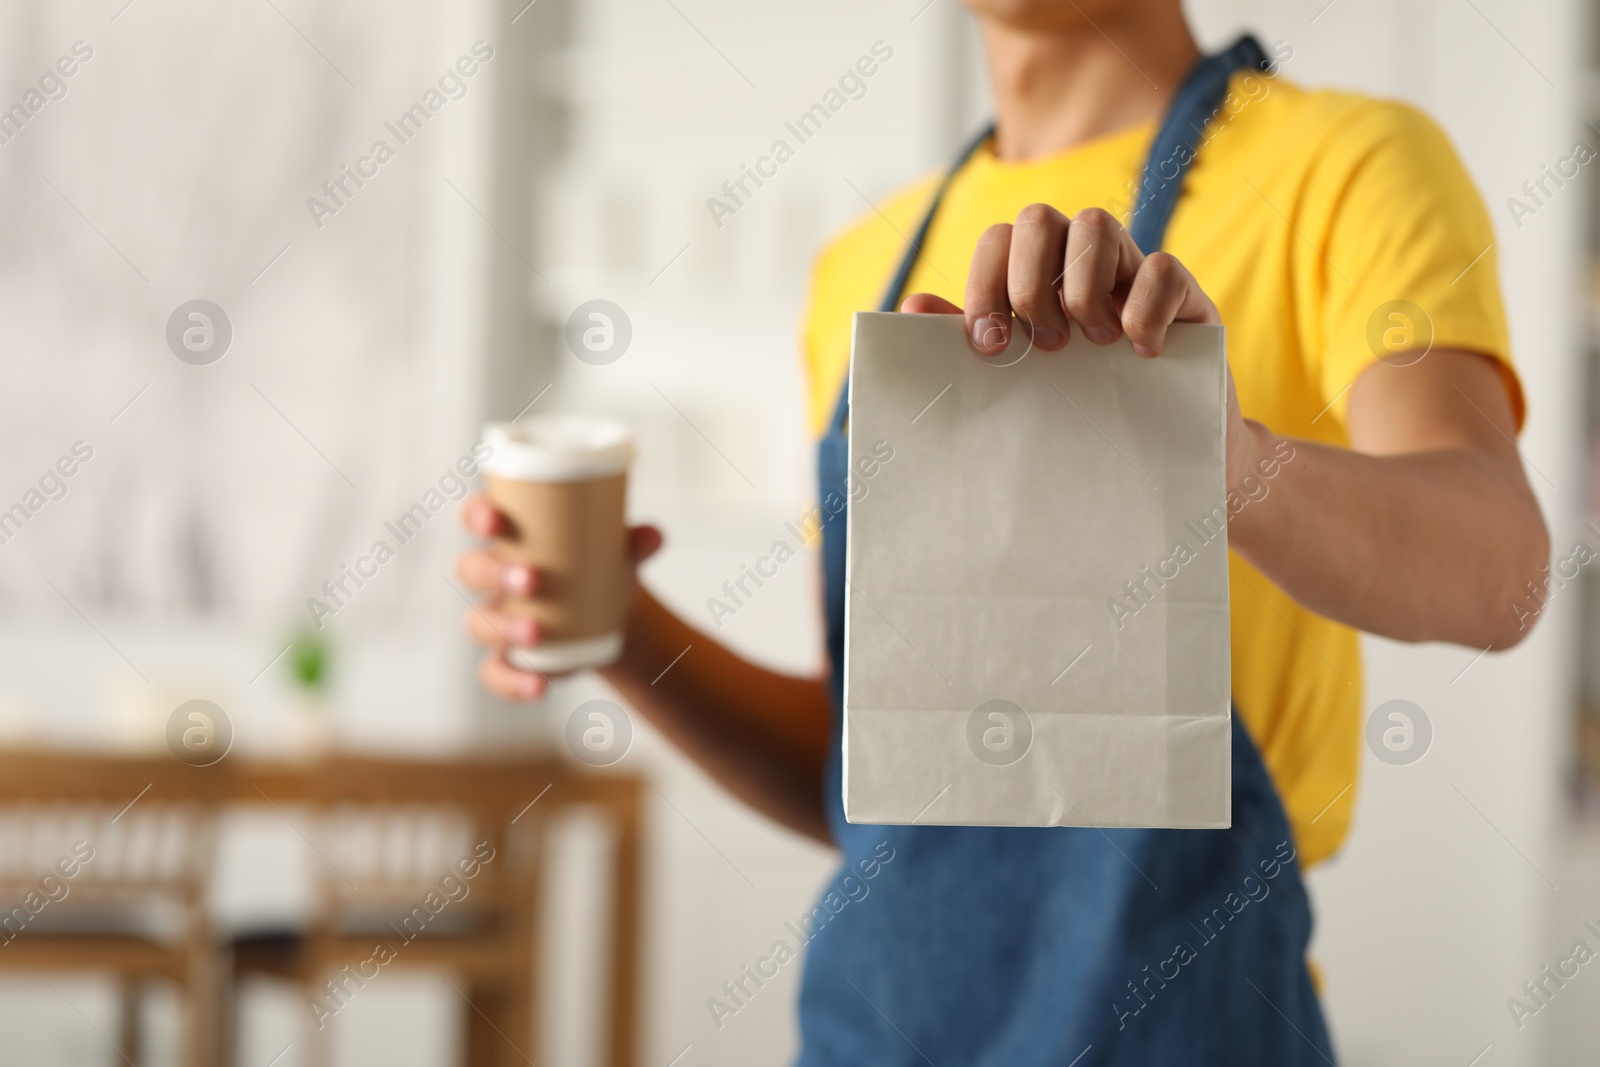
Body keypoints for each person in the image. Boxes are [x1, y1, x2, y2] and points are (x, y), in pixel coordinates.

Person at [456, 0, 1549, 1061]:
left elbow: (1498, 568)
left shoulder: (1347, 166)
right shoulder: (863, 267)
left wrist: (1232, 466)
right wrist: (624, 629)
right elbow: (870, 771)